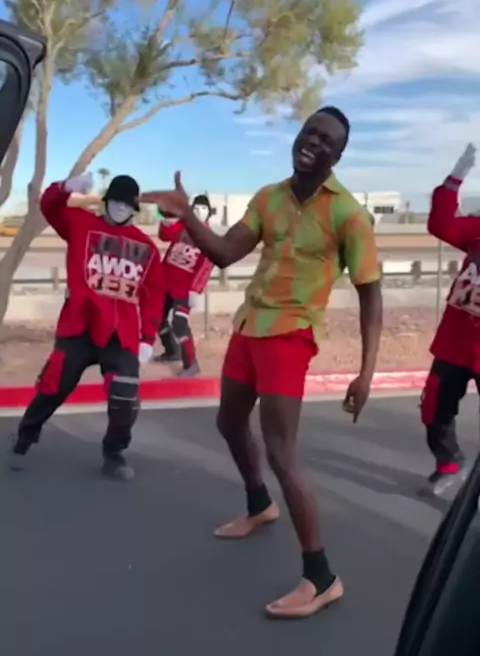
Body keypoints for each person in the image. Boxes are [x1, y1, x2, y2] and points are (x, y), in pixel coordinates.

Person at [141, 105, 383, 619]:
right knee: (229, 422)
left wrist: (366, 373)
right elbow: (225, 252)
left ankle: (322, 578)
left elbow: (371, 294)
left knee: (281, 453)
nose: (312, 142)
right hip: (250, 325)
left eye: (326, 141)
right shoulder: (268, 197)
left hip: (291, 336)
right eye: (309, 132)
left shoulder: (348, 215)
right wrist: (187, 216)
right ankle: (259, 505)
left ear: (338, 156)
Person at [9, 173, 164, 481]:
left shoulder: (146, 247)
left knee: (125, 397)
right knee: (53, 387)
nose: (120, 208)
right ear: (106, 202)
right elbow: (49, 206)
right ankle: (24, 437)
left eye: (126, 204)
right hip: (78, 327)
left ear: (134, 208)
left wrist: (147, 338)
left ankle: (114, 454)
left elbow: (154, 296)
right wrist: (65, 188)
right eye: (115, 201)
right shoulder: (80, 224)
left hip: (120, 335)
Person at [421, 143, 478, 496]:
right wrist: (454, 180)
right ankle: (449, 463)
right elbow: (441, 224)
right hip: (455, 344)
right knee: (433, 408)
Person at [155, 194, 214, 376]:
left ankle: (191, 363)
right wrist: (167, 218)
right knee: (157, 318)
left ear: (209, 213)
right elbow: (165, 235)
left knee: (179, 324)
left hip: (185, 289)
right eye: (196, 208)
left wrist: (195, 290)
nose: (199, 212)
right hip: (166, 282)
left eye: (203, 209)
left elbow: (206, 266)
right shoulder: (183, 226)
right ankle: (172, 351)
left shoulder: (209, 237)